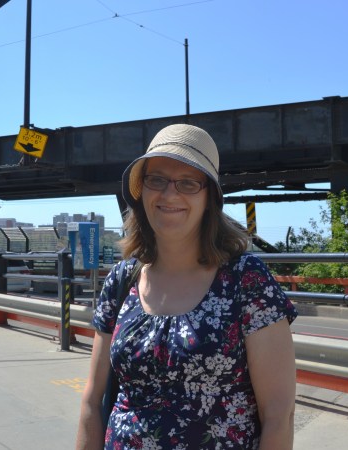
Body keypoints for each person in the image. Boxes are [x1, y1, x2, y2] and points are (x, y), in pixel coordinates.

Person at [76, 124, 298, 450]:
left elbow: (279, 414)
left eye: (188, 183)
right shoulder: (121, 281)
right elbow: (92, 402)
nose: (169, 194)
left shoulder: (245, 280)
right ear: (142, 191)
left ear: (209, 197)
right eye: (157, 180)